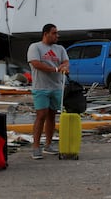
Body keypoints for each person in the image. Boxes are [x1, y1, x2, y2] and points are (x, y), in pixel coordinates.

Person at [27, 24, 69, 160]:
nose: (57, 36)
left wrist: (64, 66)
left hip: (56, 87)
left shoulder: (60, 48)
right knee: (41, 115)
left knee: (52, 115)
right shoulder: (35, 47)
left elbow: (66, 62)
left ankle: (48, 144)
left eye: (57, 33)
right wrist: (55, 69)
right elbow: (36, 64)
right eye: (54, 33)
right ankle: (36, 147)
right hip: (41, 87)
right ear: (46, 34)